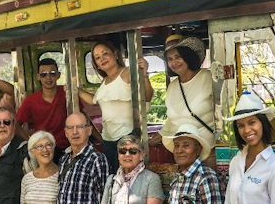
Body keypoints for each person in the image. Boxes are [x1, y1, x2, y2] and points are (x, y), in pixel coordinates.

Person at [77, 41, 152, 172]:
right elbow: (94, 100)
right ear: (96, 64)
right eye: (97, 57)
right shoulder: (105, 81)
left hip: (127, 136)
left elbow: (147, 96)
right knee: (113, 176)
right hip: (108, 138)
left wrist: (145, 75)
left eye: (105, 53)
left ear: (115, 54)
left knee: (129, 174)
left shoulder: (127, 72)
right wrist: (76, 90)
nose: (102, 59)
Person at [152, 36, 216, 156]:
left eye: (178, 57)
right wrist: (150, 142)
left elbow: (222, 112)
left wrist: (220, 148)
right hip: (183, 153)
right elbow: (173, 121)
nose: (174, 62)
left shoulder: (208, 78)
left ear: (188, 56)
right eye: (170, 59)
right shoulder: (172, 86)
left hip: (210, 150)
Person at [16, 58, 69, 162]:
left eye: (52, 73)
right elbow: (16, 125)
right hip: (43, 150)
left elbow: (83, 116)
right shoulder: (31, 100)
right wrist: (31, 142)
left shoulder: (67, 94)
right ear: (38, 77)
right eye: (43, 74)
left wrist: (99, 139)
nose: (48, 77)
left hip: (67, 147)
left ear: (58, 75)